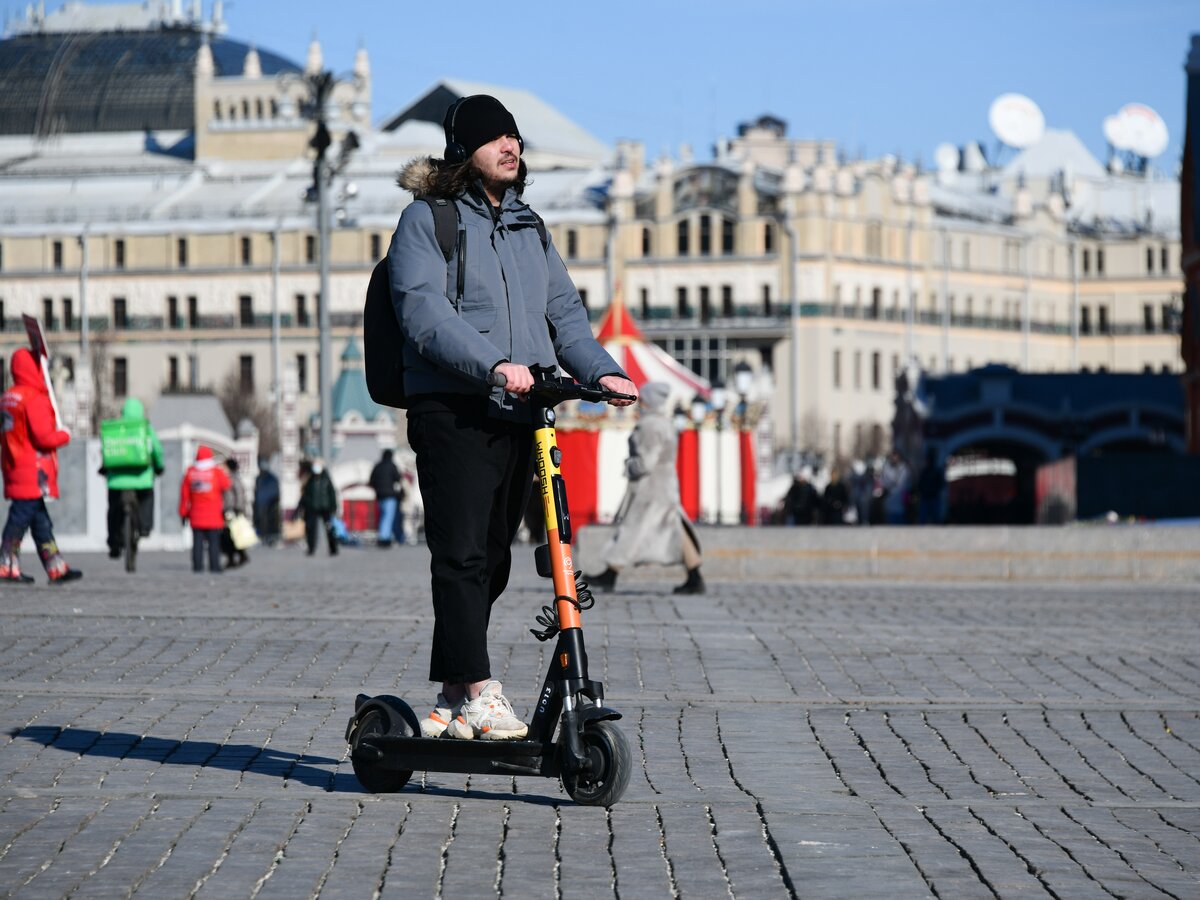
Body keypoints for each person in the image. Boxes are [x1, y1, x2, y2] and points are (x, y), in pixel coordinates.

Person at [388, 94, 637, 741]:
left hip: (520, 412)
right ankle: (478, 689)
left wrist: (601, 370)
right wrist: (495, 363)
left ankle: (448, 696)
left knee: (493, 559)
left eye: (516, 138)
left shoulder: (530, 228)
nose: (511, 147)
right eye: (496, 137)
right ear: (463, 150)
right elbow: (423, 312)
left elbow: (565, 316)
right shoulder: (428, 221)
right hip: (455, 408)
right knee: (463, 554)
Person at [587, 382, 704, 595]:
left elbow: (645, 462)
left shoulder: (649, 425)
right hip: (666, 484)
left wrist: (628, 466)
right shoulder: (665, 423)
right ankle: (695, 576)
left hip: (650, 487)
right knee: (676, 528)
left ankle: (610, 574)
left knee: (632, 530)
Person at [0, 348, 83, 585]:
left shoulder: (8, 397)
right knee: (20, 518)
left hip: (14, 465)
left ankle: (55, 567)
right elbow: (43, 437)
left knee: (40, 522)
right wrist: (64, 435)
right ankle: (6, 564)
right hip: (33, 470)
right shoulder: (34, 398)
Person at [101, 397, 165, 560]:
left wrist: (105, 468)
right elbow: (156, 450)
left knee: (113, 509)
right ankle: (144, 527)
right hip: (141, 478)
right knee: (147, 498)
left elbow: (107, 450)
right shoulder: (145, 428)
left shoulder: (115, 427)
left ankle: (114, 541)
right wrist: (159, 466)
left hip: (117, 480)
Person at [178, 445, 230, 573]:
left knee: (197, 544)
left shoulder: (190, 472)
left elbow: (184, 495)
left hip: (196, 515)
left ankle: (197, 567)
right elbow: (226, 484)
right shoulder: (216, 472)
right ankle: (214, 567)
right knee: (214, 543)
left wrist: (183, 512)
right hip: (214, 516)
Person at [297, 457, 338, 556]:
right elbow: (305, 495)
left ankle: (333, 548)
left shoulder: (326, 479)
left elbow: (332, 493)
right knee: (311, 529)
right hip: (312, 507)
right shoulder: (309, 479)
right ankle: (311, 549)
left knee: (329, 528)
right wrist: (301, 508)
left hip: (325, 507)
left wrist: (334, 507)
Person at [368, 448, 402, 548]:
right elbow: (398, 478)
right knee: (388, 517)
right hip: (390, 495)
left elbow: (371, 481)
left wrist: (377, 489)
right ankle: (384, 538)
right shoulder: (392, 466)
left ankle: (384, 536)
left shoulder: (377, 466)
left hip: (379, 496)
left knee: (383, 516)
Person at [221, 457, 250, 568]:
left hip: (232, 510)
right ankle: (237, 557)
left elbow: (239, 495)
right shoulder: (229, 478)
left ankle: (236, 557)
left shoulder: (232, 479)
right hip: (229, 509)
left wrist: (238, 509)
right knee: (232, 535)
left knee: (231, 535)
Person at [253, 459, 281, 546]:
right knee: (260, 520)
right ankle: (262, 536)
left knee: (270, 522)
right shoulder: (259, 478)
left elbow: (274, 491)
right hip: (260, 503)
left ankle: (270, 537)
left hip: (270, 504)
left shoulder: (271, 478)